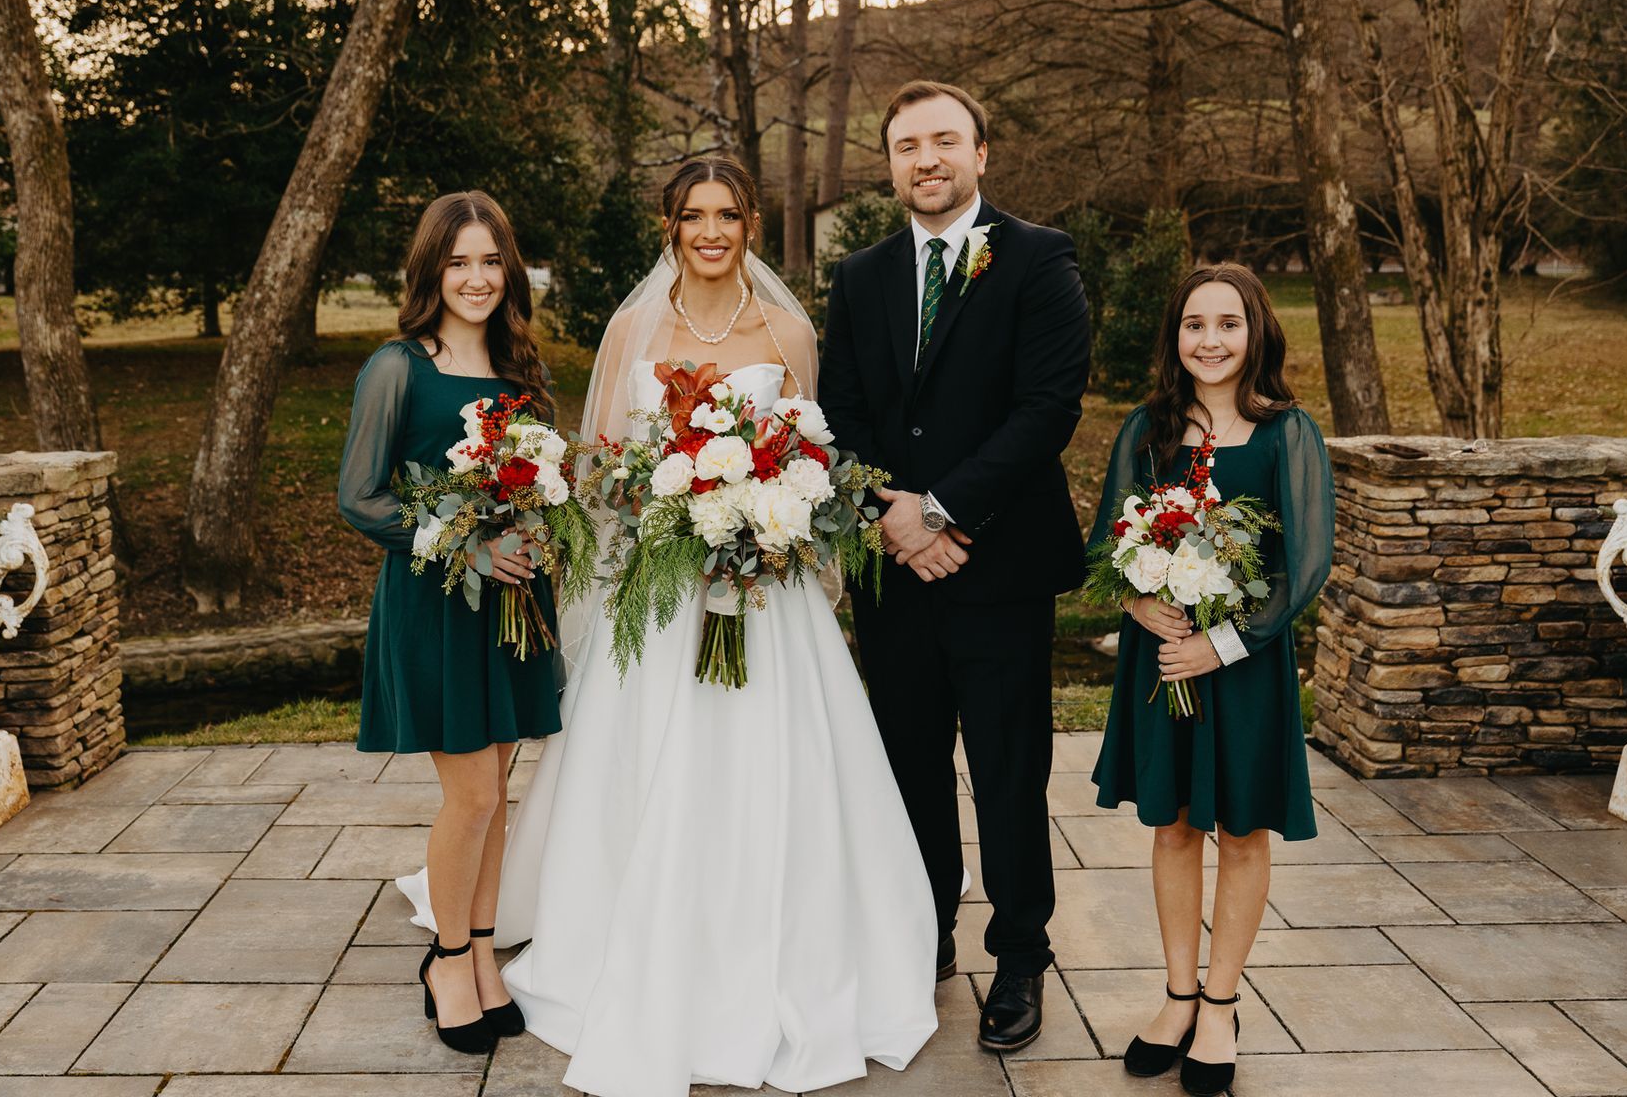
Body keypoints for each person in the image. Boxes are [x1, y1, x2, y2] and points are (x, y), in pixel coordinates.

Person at [448, 154, 938, 1097]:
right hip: (664, 591)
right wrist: (662, 513)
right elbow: (599, 468)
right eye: (693, 216)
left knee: (779, 763)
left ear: (750, 223)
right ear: (669, 226)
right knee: (648, 761)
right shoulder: (635, 326)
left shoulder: (787, 328)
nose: (711, 231)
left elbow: (817, 452)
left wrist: (772, 518)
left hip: (768, 590)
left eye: (728, 214)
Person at [818, 79, 1091, 1053]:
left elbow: (1048, 406)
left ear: (983, 153)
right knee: (910, 769)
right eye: (905, 145)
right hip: (893, 570)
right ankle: (922, 928)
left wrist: (940, 508)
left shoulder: (1037, 258)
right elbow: (838, 414)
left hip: (1000, 565)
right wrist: (888, 515)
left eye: (944, 141)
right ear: (889, 163)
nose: (925, 159)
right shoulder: (859, 277)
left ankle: (1020, 954)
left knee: (1009, 770)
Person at [1090, 262, 1333, 1097]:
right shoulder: (1146, 431)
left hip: (1244, 669)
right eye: (1195, 324)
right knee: (1174, 828)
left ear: (1256, 331)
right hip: (1163, 666)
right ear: (1177, 337)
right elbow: (1107, 540)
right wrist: (1136, 600)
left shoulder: (1286, 432)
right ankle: (1177, 996)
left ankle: (1222, 1006)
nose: (1211, 340)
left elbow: (1304, 563)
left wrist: (1225, 644)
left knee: (1242, 831)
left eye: (1228, 324)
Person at [337, 191, 562, 1055]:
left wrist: (542, 529)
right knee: (469, 798)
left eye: (490, 260)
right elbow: (360, 498)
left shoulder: (521, 370)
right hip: (438, 602)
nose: (475, 278)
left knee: (495, 798)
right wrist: (464, 550)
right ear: (431, 270)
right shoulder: (398, 366)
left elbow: (544, 481)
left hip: (514, 606)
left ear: (509, 269)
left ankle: (481, 952)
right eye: (457, 262)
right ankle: (446, 958)